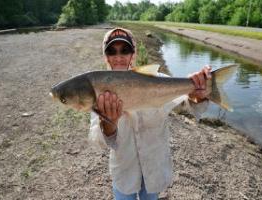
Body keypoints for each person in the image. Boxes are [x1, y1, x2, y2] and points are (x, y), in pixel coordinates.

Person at [89, 27, 211, 200]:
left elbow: (187, 104)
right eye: (111, 51)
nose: (118, 57)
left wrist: (198, 93)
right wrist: (108, 124)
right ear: (105, 56)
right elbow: (98, 141)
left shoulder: (158, 79)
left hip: (155, 168)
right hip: (124, 173)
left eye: (125, 50)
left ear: (134, 53)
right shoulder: (100, 90)